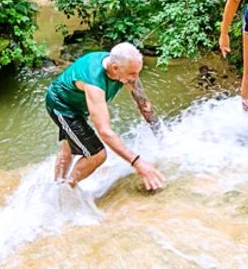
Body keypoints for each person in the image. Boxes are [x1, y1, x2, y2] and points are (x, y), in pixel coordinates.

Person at [45, 43, 166, 190]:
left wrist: (162, 138)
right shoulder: (94, 82)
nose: (135, 77)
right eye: (132, 73)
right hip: (62, 106)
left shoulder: (122, 67)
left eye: (137, 72)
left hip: (79, 103)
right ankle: (66, 188)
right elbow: (105, 132)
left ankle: (56, 184)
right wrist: (138, 163)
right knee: (97, 154)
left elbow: (144, 105)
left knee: (68, 149)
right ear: (115, 68)